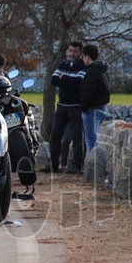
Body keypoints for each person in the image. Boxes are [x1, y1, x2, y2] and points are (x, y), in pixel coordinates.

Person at [49, 41, 85, 173]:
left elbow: (79, 83)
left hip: (76, 107)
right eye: (70, 51)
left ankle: (76, 166)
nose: (72, 53)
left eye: (75, 51)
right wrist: (68, 80)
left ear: (80, 52)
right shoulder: (62, 64)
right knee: (55, 136)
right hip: (62, 106)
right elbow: (54, 80)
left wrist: (63, 78)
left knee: (76, 138)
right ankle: (54, 164)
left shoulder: (82, 66)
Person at [80, 43, 111, 153]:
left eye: (82, 57)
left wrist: (83, 107)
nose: (82, 60)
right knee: (94, 138)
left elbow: (88, 93)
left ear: (87, 57)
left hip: (92, 110)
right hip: (102, 107)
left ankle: (91, 166)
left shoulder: (91, 72)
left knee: (91, 140)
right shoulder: (103, 69)